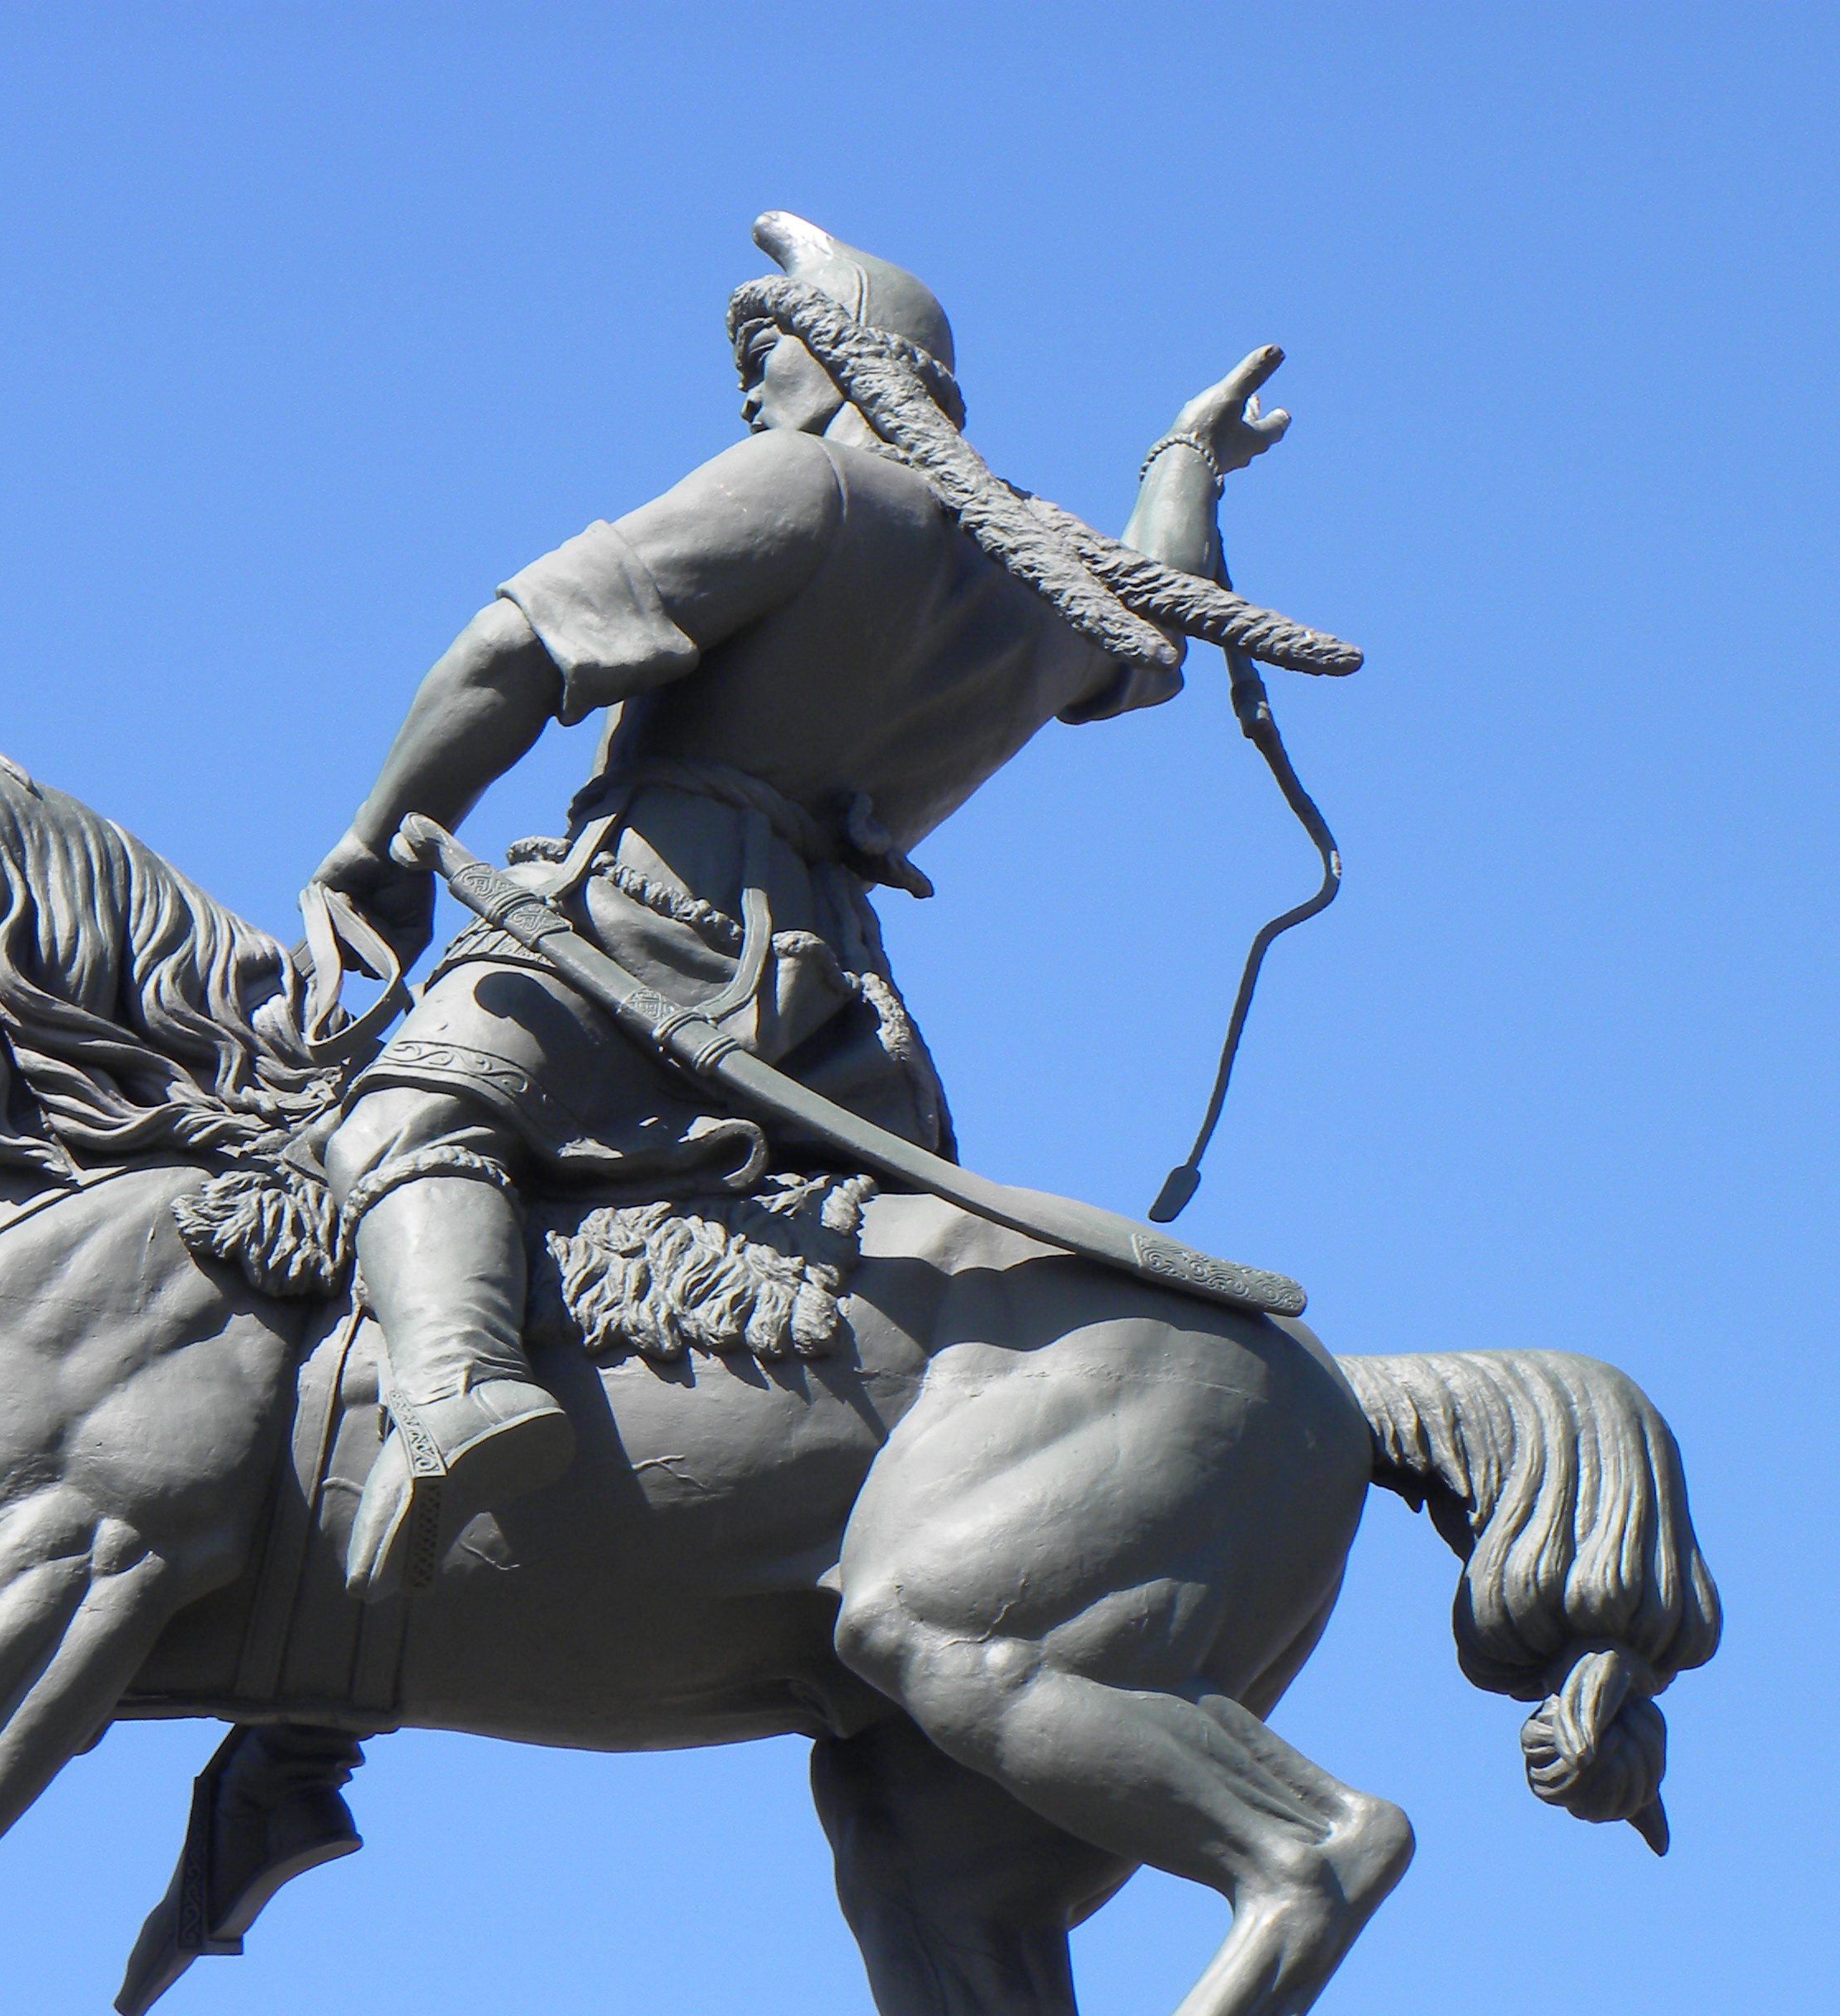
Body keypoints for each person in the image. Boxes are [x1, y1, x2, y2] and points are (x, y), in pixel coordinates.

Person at [309, 211, 1332, 1599]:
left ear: (850, 362)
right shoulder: (1024, 575)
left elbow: (515, 647)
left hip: (648, 930)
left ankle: (452, 1392)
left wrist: (373, 844)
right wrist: (1185, 463)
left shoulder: (801, 487)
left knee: (406, 1113)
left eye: (766, 352)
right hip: (840, 1016)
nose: (748, 390)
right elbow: (1153, 636)